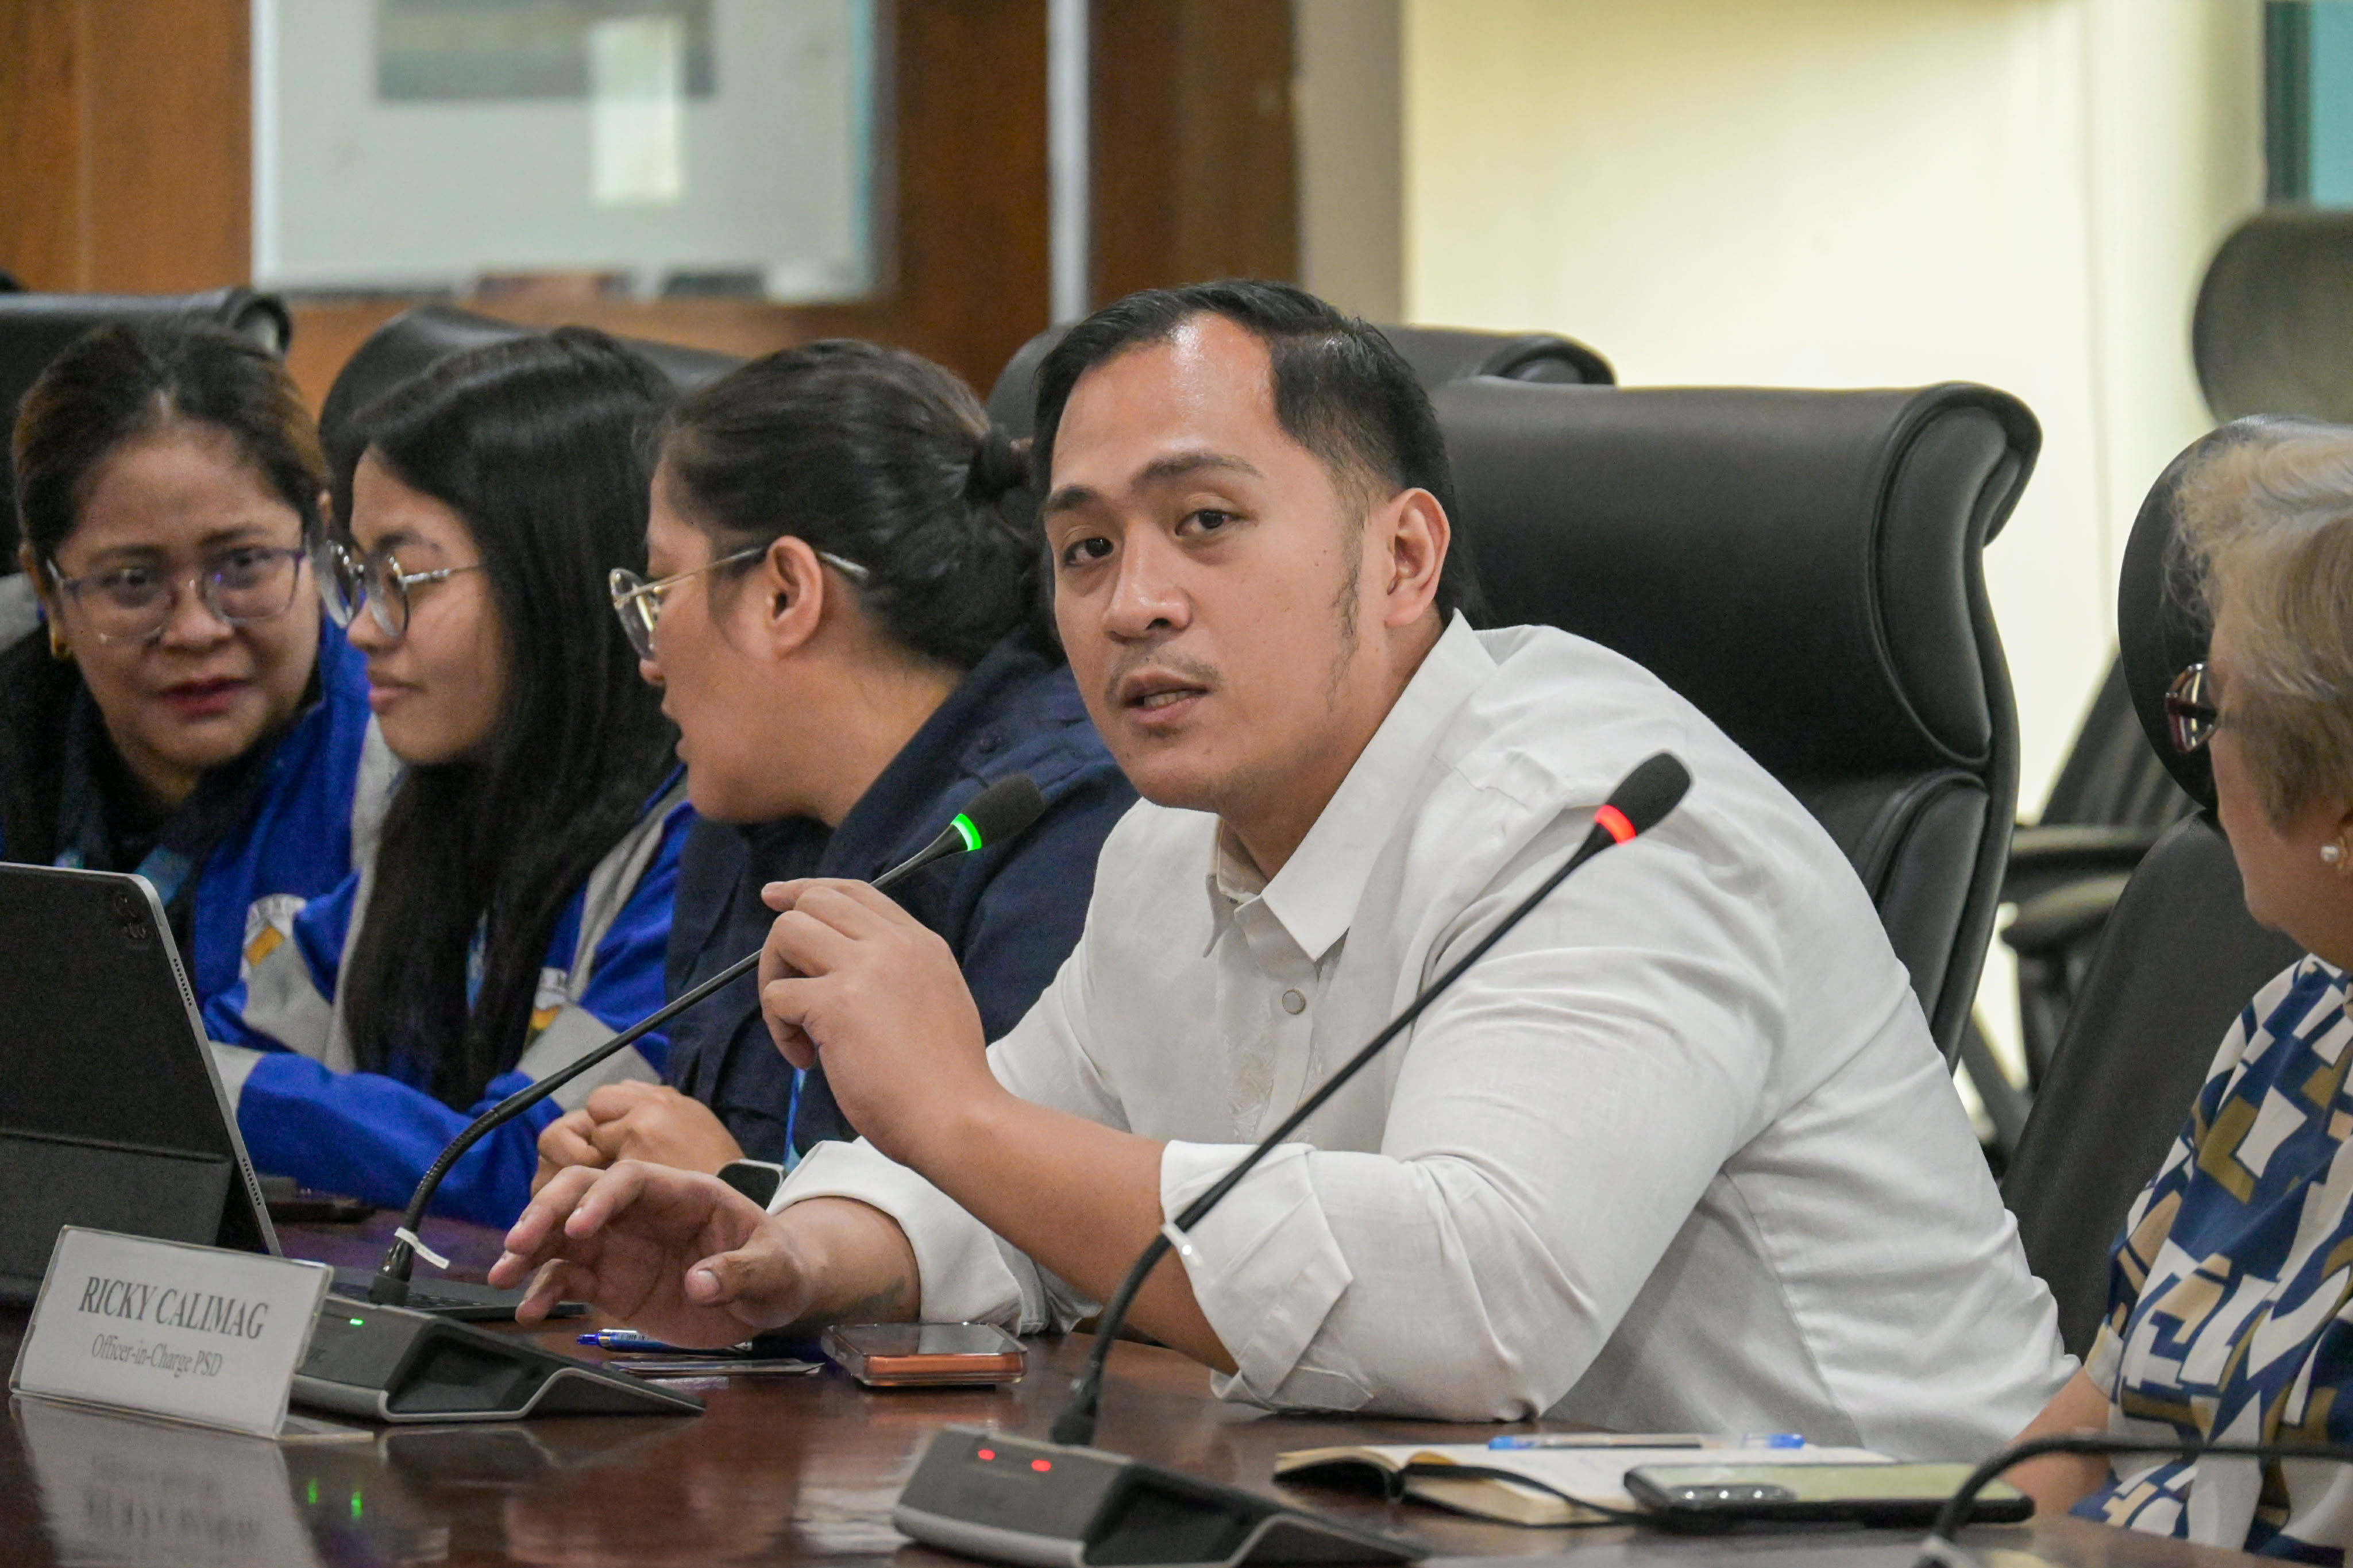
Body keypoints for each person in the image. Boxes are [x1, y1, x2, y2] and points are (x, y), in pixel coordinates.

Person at [496, 281, 2070, 1453]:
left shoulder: (1595, 817)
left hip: (1900, 1536)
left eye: (1206, 522)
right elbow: (1025, 1185)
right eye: (1088, 548)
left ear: (1402, 560)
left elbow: (1480, 1306)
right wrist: (789, 1254)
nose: (1133, 603)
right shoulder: (1164, 849)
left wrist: (957, 1115)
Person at [530, 341, 1132, 1197]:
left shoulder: (1057, 835)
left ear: (785, 593)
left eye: (659, 592)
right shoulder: (749, 820)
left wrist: (742, 1198)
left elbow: (1039, 1235)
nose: (649, 661)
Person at [205, 329, 691, 1226]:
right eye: (357, 574)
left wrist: (227, 1092)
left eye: (403, 576)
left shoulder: (696, 849)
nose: (361, 627)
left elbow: (538, 1161)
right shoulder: (440, 809)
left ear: (555, 580)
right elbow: (220, 1043)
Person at [2010, 422, 2353, 1555]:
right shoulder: (2293, 1021)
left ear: (2336, 809)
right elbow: (2095, 1410)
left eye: (2209, 709)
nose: (2196, 756)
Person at [1, 321, 386, 1017]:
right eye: (132, 581)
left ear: (317, 540)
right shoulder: (17, 738)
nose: (195, 630)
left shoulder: (404, 771)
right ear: (49, 593)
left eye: (243, 563)